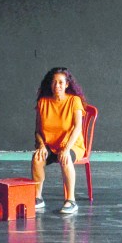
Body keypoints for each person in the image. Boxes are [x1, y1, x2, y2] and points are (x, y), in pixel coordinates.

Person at [32, 67, 86, 215]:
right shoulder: (43, 102)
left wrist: (66, 149)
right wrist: (41, 145)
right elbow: (37, 131)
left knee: (65, 158)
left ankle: (71, 200)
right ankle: (37, 197)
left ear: (67, 84)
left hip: (72, 145)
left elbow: (78, 128)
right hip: (50, 145)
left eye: (61, 82)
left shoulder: (74, 101)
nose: (57, 86)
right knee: (37, 158)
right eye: (54, 82)